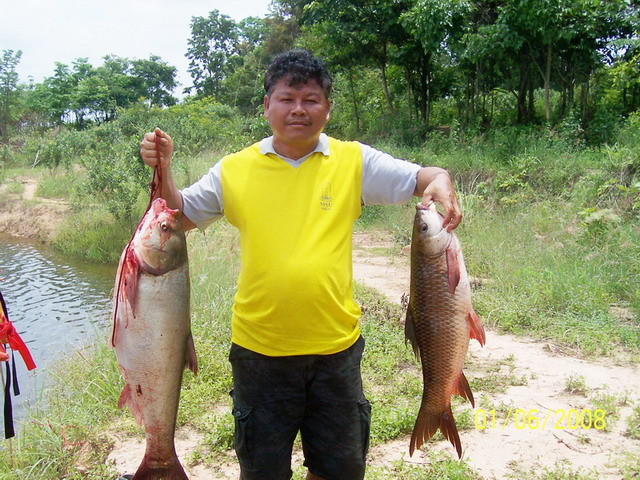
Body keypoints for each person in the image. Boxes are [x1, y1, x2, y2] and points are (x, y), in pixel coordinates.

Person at [139, 49, 462, 480]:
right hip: (260, 353)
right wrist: (164, 168)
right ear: (267, 105)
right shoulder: (234, 169)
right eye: (287, 98)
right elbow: (177, 217)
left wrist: (441, 181)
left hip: (336, 351)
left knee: (339, 470)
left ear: (327, 109)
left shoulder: (353, 161)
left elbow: (424, 176)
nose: (298, 109)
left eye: (311, 99)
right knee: (264, 472)